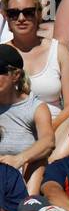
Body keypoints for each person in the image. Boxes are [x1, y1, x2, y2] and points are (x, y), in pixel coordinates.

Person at [2, 0, 69, 131]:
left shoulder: (59, 51)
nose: (21, 19)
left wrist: (47, 131)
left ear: (39, 14)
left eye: (28, 12)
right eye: (13, 14)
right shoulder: (1, 54)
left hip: (55, 126)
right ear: (6, 17)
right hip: (11, 129)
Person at [0, 43, 52, 187]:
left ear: (15, 75)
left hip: (22, 177)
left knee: (38, 162)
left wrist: (18, 159)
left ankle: (27, 206)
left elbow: (48, 142)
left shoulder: (35, 107)